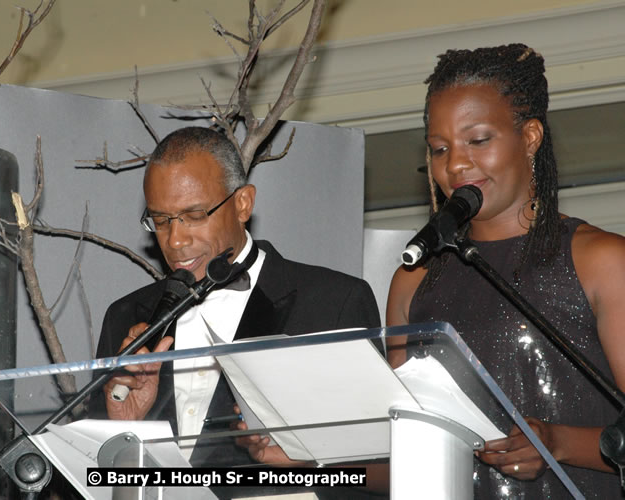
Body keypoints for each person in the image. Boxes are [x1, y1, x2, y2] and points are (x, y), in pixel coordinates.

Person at [386, 43, 625, 498]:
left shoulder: (602, 261)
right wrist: (305, 459)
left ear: (530, 137)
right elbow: (400, 449)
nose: (456, 164)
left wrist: (556, 443)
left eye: (478, 140)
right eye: (440, 148)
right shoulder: (413, 280)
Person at [91, 126, 380, 468]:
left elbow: (377, 465)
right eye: (162, 221)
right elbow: (96, 476)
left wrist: (305, 460)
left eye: (195, 215)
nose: (175, 240)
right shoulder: (125, 317)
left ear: (243, 203)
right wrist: (125, 432)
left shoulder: (335, 303)